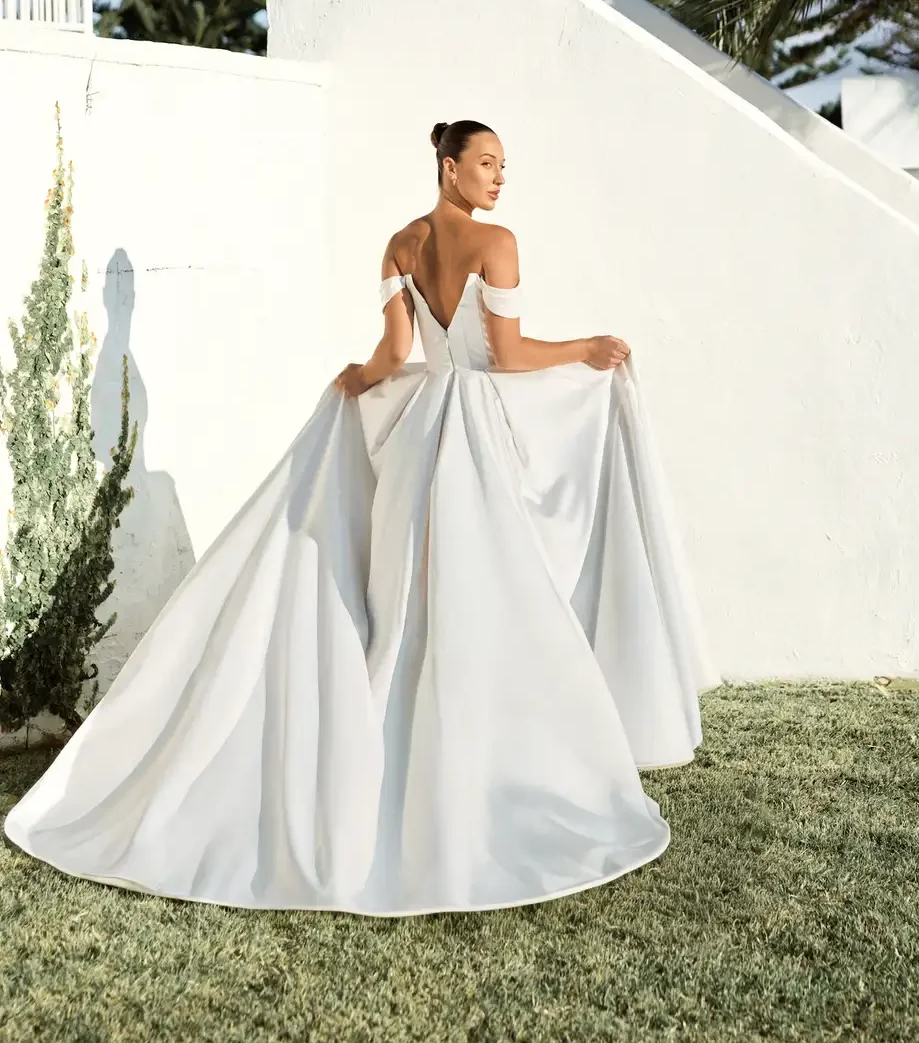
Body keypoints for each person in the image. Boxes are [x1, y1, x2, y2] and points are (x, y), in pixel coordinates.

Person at [4, 119, 718, 916]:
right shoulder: (499, 243)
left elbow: (393, 358)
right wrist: (584, 348)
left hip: (418, 440)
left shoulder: (401, 246)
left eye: (503, 166)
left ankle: (401, 756)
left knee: (405, 607)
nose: (497, 177)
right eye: (485, 163)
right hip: (478, 438)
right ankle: (479, 764)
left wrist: (356, 378)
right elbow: (508, 358)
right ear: (448, 167)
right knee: (482, 599)